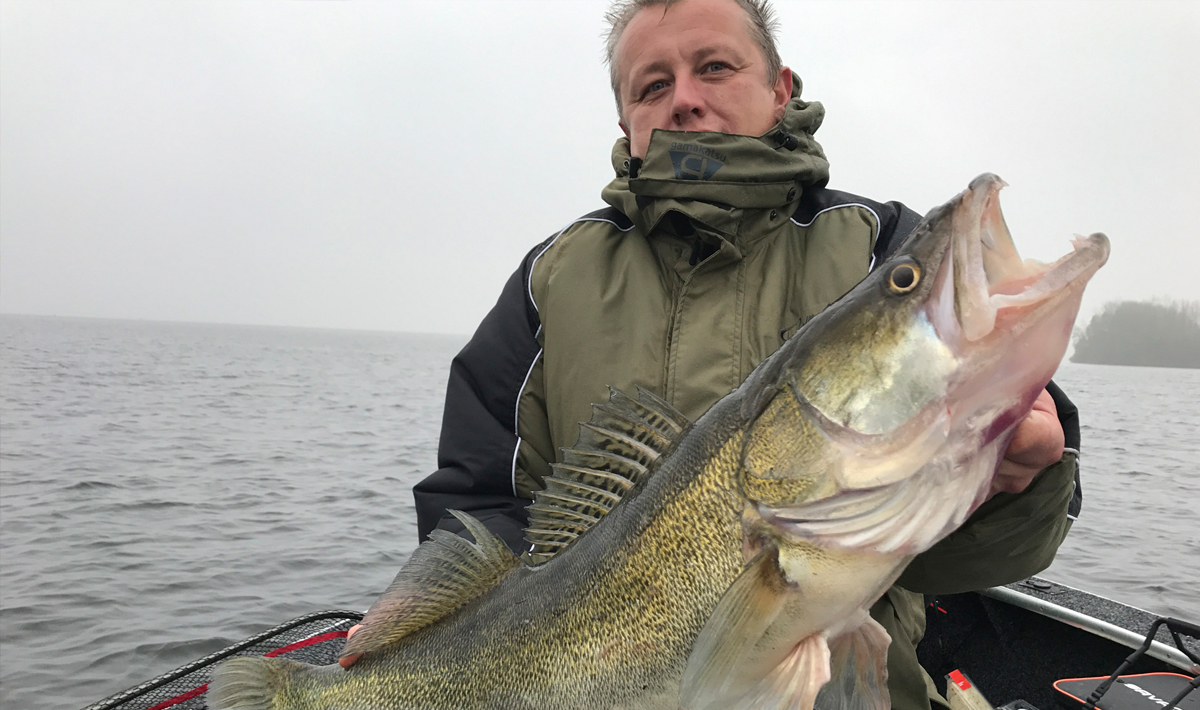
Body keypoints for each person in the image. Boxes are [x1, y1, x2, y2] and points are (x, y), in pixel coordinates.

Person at [355, 1, 1084, 708]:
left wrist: (1016, 486)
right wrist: (429, 651)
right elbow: (475, 510)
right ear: (625, 120)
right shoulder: (551, 280)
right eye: (653, 85)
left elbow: (960, 555)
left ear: (780, 88)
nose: (686, 100)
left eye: (714, 66)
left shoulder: (876, 242)